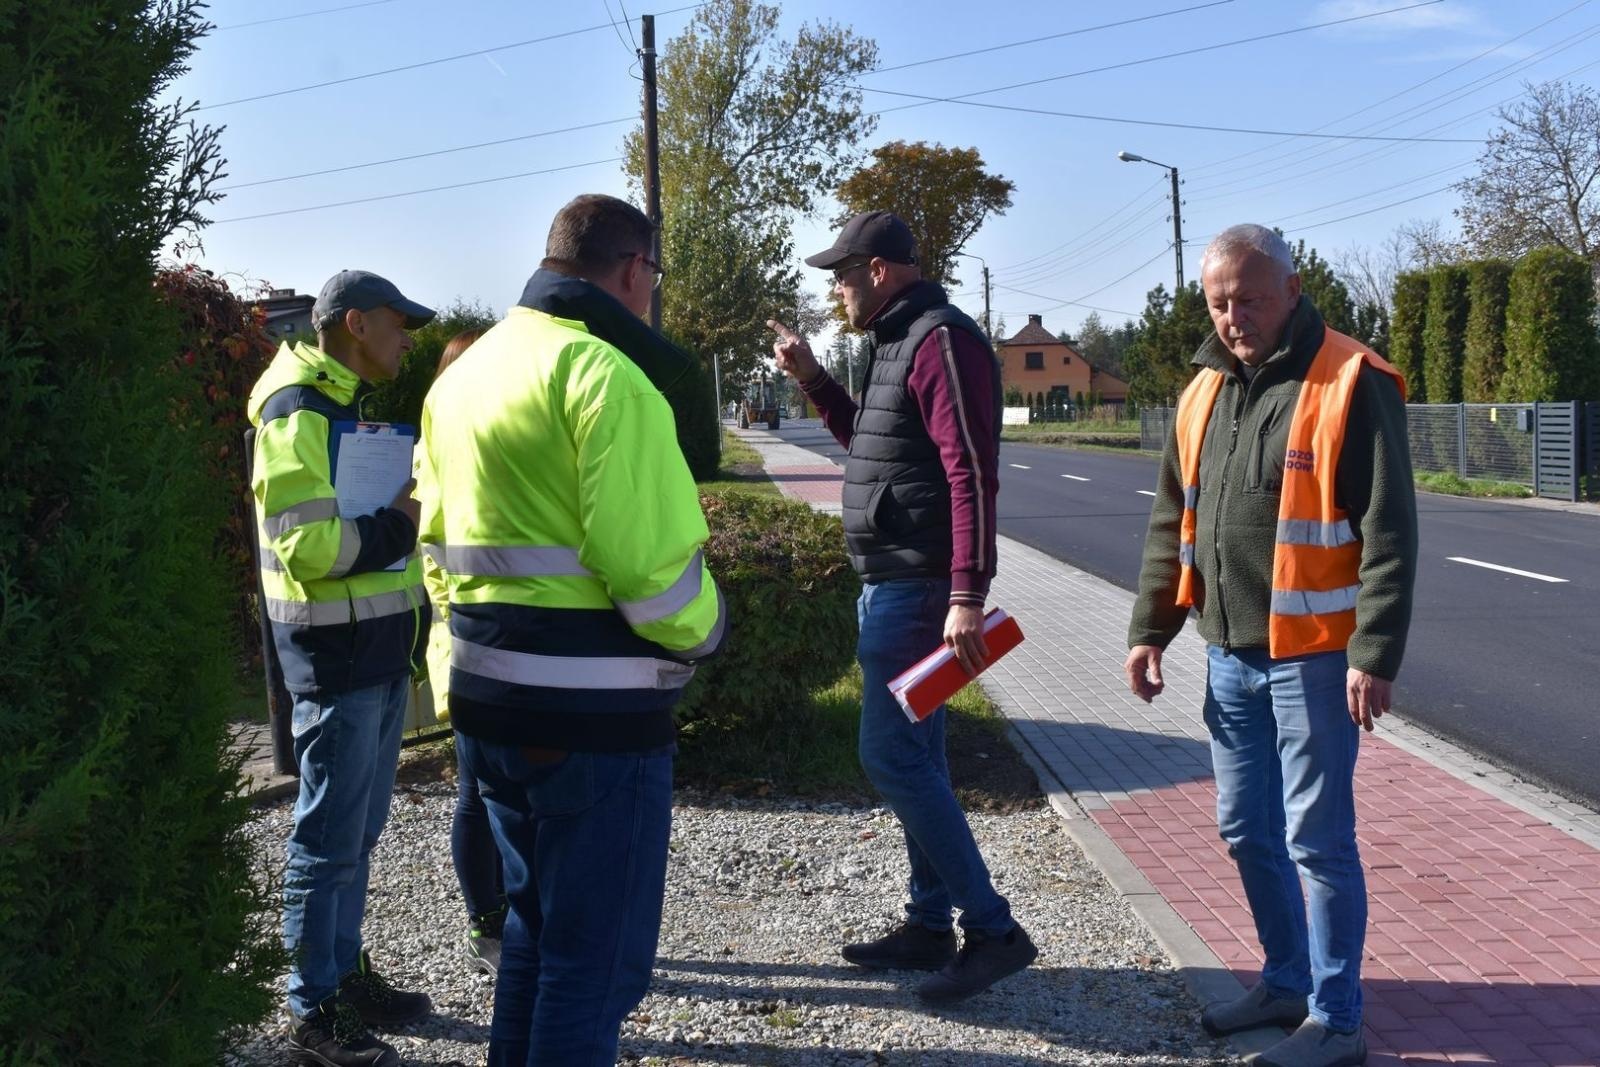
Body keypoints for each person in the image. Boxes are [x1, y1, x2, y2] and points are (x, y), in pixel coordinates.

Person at [415, 193, 726, 1066]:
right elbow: (654, 580)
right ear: (633, 271)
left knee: (530, 937)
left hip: (485, 702)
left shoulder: (460, 380)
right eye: (653, 276)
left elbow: (434, 547)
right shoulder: (605, 377)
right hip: (596, 724)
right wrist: (711, 626)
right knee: (592, 971)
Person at [1124, 224, 1417, 1067]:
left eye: (1249, 297)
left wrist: (1375, 650)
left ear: (1293, 288)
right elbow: (1170, 524)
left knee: (1317, 839)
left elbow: (1391, 528)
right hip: (1227, 654)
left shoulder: (1352, 379)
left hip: (1317, 658)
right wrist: (1151, 629)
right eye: (1219, 301)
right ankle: (1286, 980)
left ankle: (1338, 1019)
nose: (1233, 315)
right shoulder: (1202, 392)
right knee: (1244, 829)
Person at [769, 210, 1036, 1004]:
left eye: (842, 275)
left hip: (922, 592)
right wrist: (814, 379)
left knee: (891, 758)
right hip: (895, 582)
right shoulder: (896, 340)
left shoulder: (941, 340)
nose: (837, 290)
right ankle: (929, 923)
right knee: (922, 759)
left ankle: (992, 929)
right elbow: (875, 443)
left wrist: (966, 593)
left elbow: (970, 472)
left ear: (880, 270)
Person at [247, 270, 437, 1067]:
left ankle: (341, 972)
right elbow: (311, 551)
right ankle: (310, 1010)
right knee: (327, 837)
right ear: (354, 324)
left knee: (355, 832)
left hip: (376, 653)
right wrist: (399, 523)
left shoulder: (339, 411)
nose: (407, 339)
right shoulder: (297, 414)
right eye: (398, 325)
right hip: (339, 661)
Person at [418, 327, 507, 976]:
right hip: (472, 643)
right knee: (479, 791)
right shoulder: (442, 447)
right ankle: (487, 922)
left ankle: (505, 918)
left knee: (495, 789)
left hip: (488, 642)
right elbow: (439, 561)